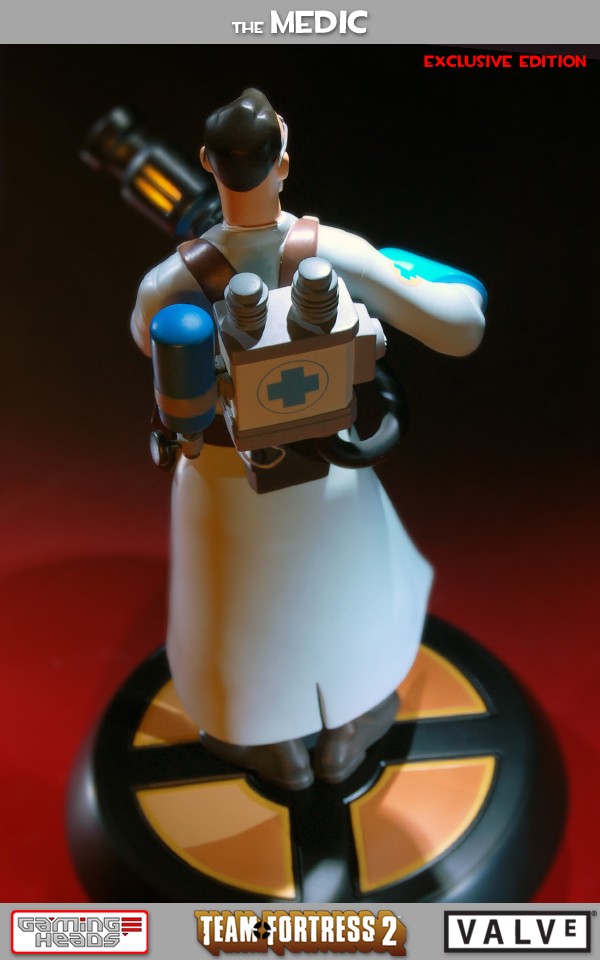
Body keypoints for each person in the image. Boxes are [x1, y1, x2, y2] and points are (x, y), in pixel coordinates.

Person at [130, 89, 485, 790]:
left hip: (224, 478)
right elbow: (459, 328)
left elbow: (148, 339)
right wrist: (418, 279)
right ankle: (354, 721)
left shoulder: (172, 281)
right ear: (284, 165)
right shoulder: (337, 254)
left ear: (206, 165)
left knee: (233, 607)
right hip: (329, 465)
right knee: (349, 589)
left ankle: (267, 742)